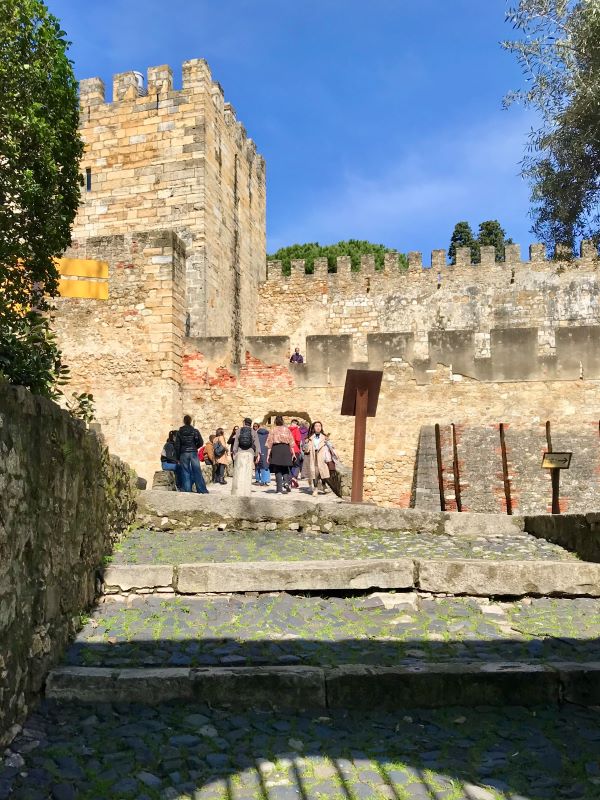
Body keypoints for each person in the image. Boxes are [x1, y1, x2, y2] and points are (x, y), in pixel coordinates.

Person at [175, 415, 208, 494]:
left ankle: (187, 489)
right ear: (190, 421)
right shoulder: (195, 431)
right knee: (197, 470)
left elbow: (177, 445)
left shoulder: (179, 432)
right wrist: (195, 447)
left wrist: (177, 456)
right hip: (193, 452)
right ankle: (201, 490)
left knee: (185, 471)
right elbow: (201, 442)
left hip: (183, 453)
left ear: (184, 421)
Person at [303, 420, 338, 496]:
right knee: (314, 472)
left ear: (321, 427)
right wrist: (306, 444)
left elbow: (331, 446)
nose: (318, 427)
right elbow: (306, 450)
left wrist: (329, 444)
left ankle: (324, 484)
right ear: (313, 428)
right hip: (313, 456)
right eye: (316, 426)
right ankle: (315, 489)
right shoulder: (310, 438)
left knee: (323, 471)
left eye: (319, 426)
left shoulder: (325, 437)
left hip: (322, 457)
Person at [266, 415, 296, 494]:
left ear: (275, 421)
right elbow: (292, 443)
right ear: (282, 421)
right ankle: (286, 482)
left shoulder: (273, 430)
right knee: (285, 468)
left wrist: (268, 455)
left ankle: (279, 489)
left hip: (276, 449)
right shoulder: (287, 430)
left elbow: (269, 443)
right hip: (286, 449)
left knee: (277, 469)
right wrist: (293, 453)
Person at [231, 417, 260, 496]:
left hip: (240, 453)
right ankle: (246, 492)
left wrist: (234, 452)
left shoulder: (239, 430)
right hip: (250, 453)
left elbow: (236, 442)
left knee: (239, 472)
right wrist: (257, 455)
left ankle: (238, 491)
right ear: (250, 424)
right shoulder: (253, 431)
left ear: (244, 423)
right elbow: (257, 443)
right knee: (248, 473)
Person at [253, 420, 271, 485]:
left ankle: (258, 479)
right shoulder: (268, 434)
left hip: (258, 450)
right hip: (266, 451)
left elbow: (255, 444)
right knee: (265, 466)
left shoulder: (256, 434)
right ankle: (266, 480)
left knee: (257, 465)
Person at [288, 418, 303, 487]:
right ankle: (294, 477)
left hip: (288, 449)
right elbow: (298, 440)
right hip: (295, 449)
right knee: (296, 465)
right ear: (297, 424)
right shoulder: (296, 430)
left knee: (289, 465)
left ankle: (290, 480)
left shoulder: (287, 429)